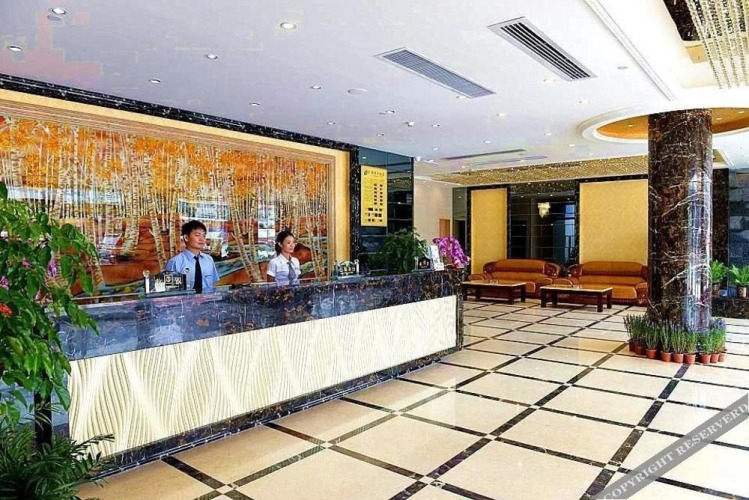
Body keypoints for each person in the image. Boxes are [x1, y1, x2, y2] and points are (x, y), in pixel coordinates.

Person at [165, 220, 219, 294]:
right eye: (197, 235)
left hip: (208, 300)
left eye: (204, 235)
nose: (202, 239)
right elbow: (170, 292)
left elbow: (213, 285)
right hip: (185, 301)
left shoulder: (209, 260)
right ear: (186, 237)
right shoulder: (175, 262)